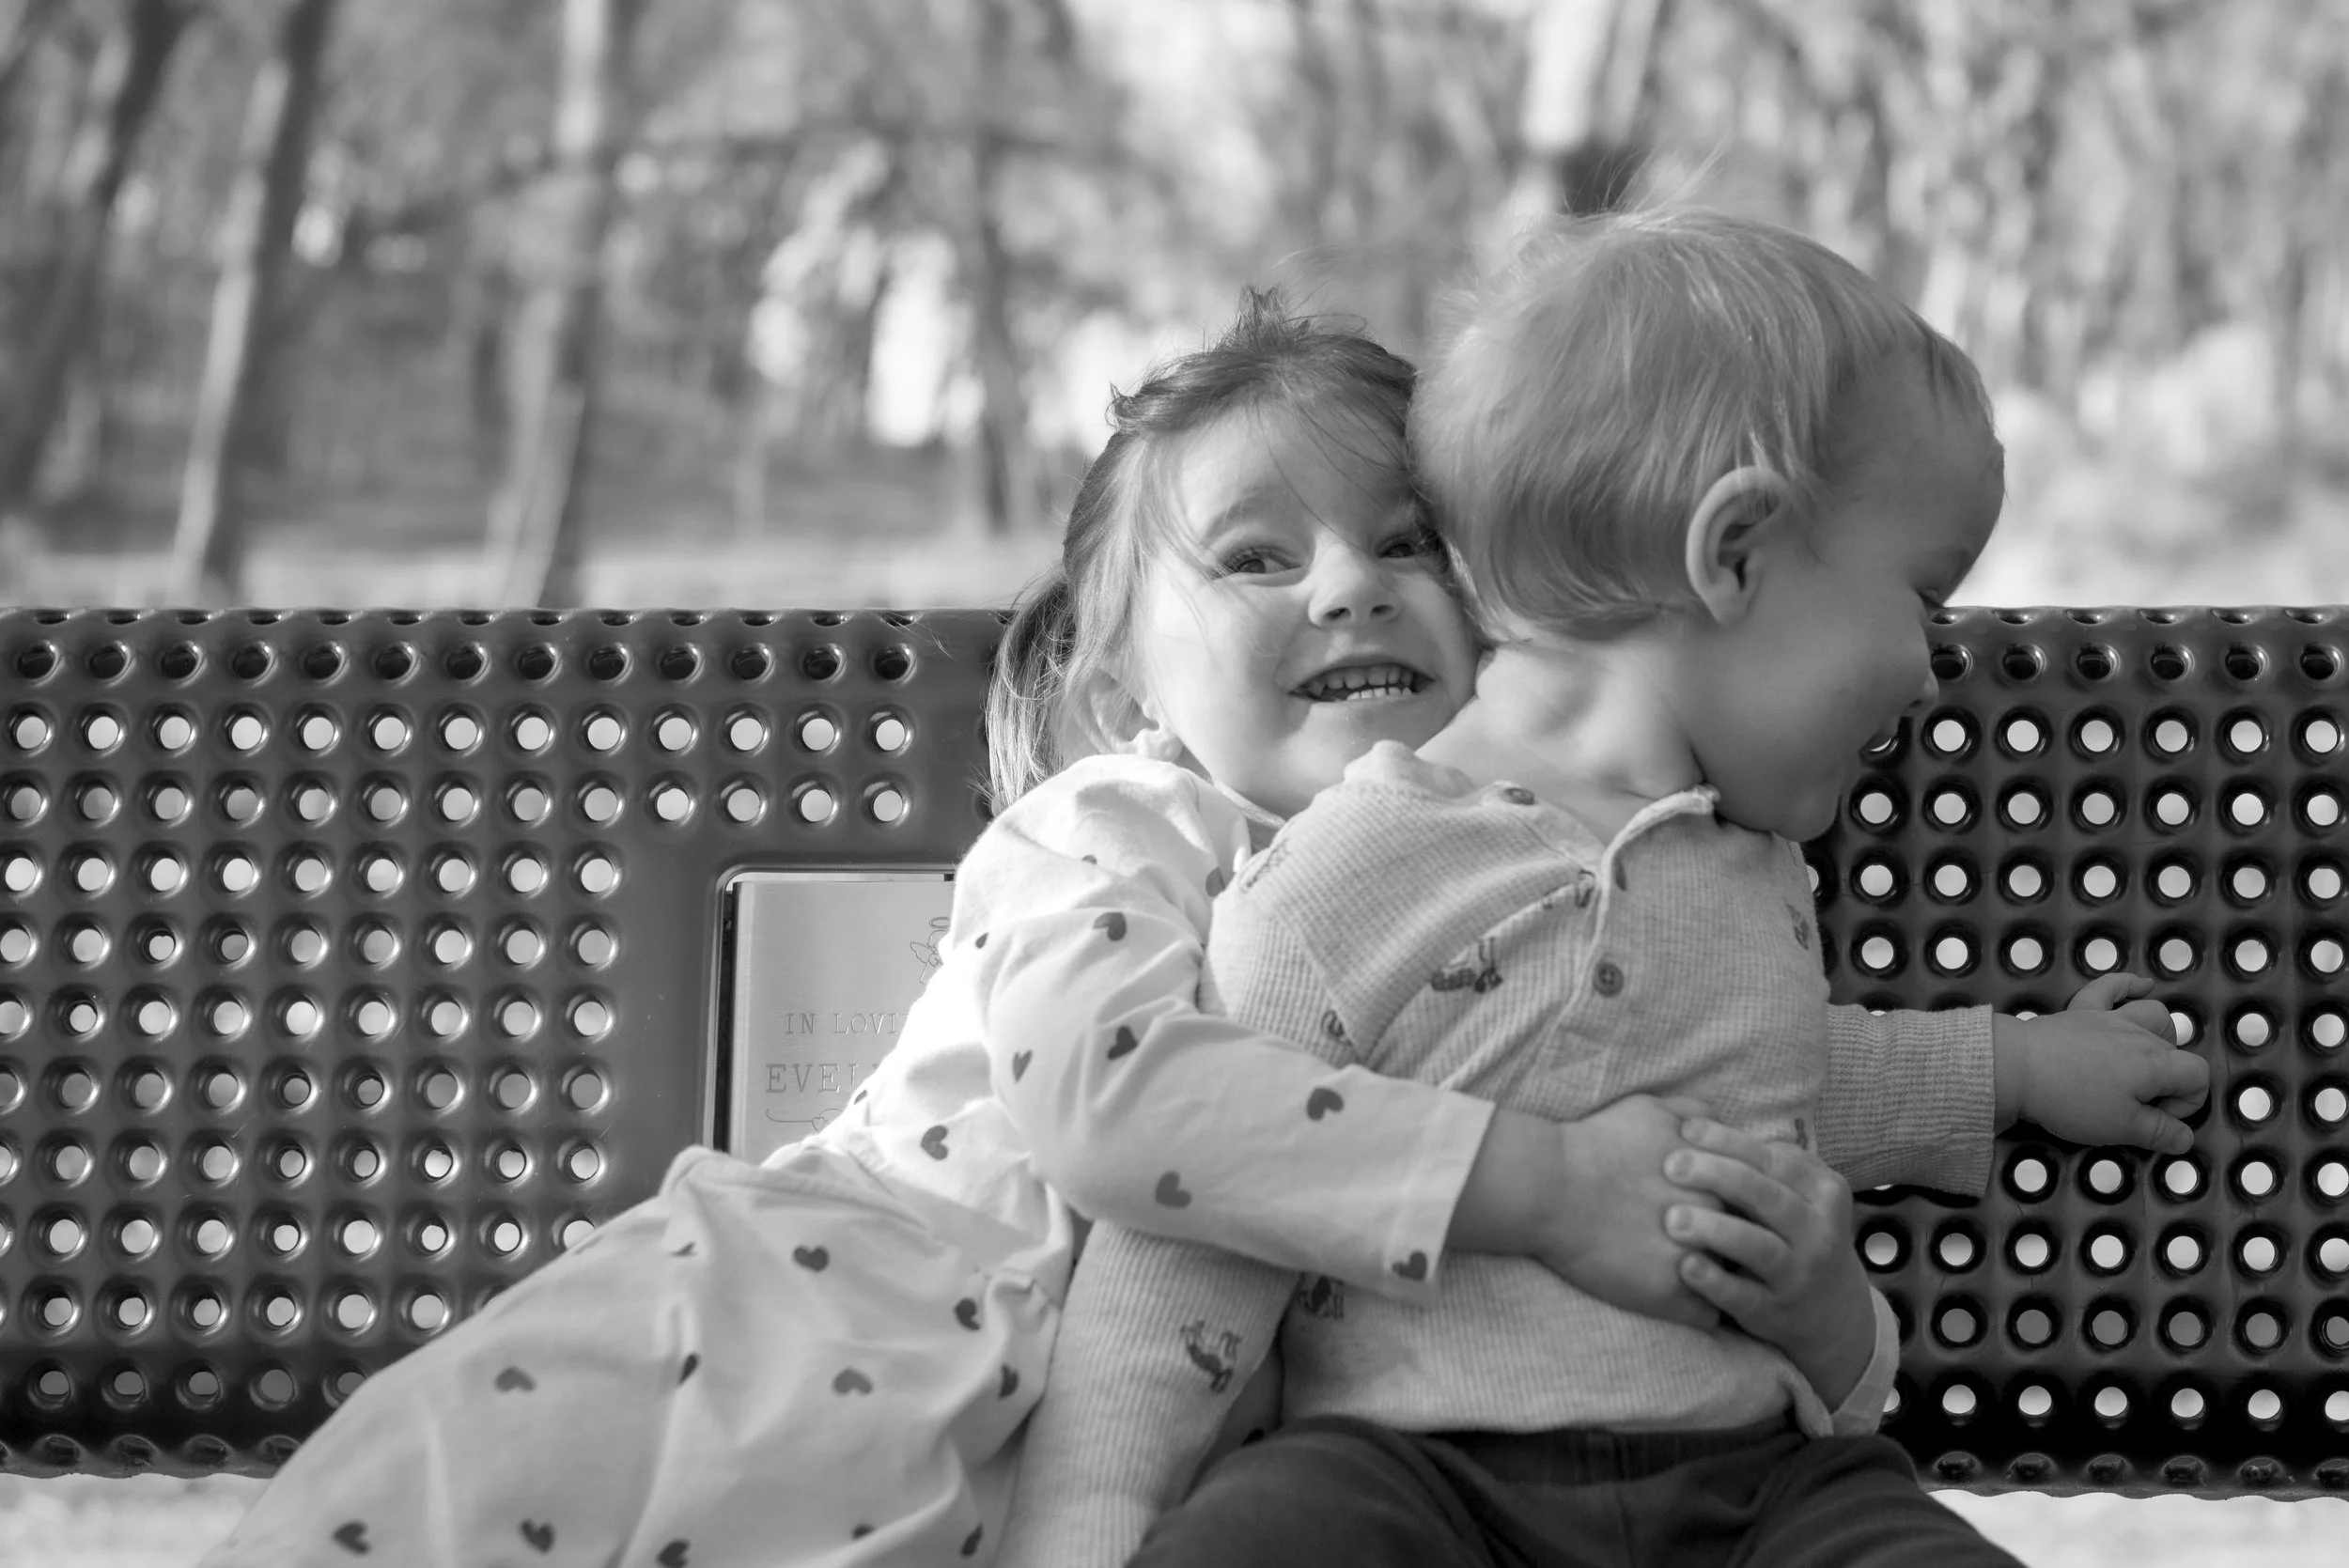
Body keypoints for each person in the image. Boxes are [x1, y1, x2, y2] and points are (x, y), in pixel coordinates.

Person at [203, 294, 1802, 1568]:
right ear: (1121, 689)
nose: (1347, 586)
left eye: (1409, 543)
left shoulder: (1499, 890)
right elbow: (1111, 1094)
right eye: (1256, 555)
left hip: (1004, 1482)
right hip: (777, 1342)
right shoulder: (1127, 824)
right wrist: (1543, 1184)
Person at [998, 210, 2211, 1568]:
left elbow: (1793, 1079)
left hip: (1756, 1490)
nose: (1932, 674)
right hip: (1421, 1486)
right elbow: (1195, 1238)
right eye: (1923, 603)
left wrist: (2017, 1069)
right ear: (1733, 553)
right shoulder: (1341, 875)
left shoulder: (1747, 869)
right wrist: (1085, 1534)